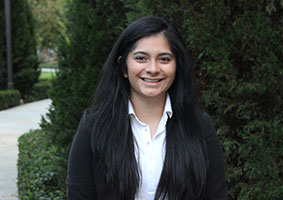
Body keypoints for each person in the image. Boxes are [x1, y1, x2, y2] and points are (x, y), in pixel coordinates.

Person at [66, 16, 228, 200]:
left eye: (164, 59)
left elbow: (216, 195)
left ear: (177, 66)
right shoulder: (94, 126)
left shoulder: (198, 125)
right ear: (123, 67)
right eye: (141, 58)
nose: (153, 68)